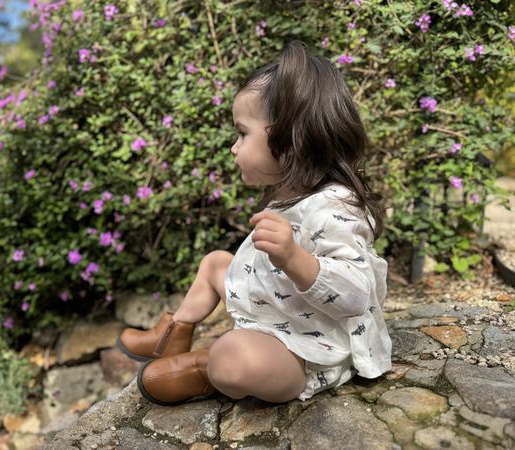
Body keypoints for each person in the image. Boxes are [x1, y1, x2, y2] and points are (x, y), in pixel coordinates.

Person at [116, 40, 393, 406]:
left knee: (233, 357)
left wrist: (295, 259)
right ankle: (171, 334)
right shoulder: (288, 195)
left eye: (242, 133)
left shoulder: (334, 207)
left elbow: (356, 293)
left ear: (291, 139)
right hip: (278, 314)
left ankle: (210, 369)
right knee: (216, 262)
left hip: (306, 348)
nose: (233, 147)